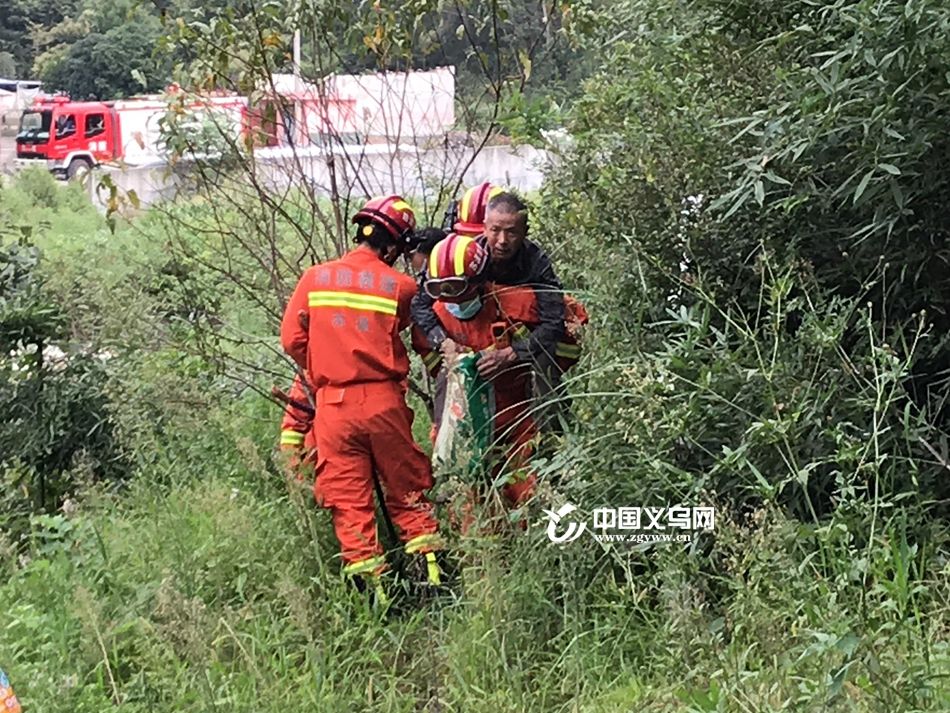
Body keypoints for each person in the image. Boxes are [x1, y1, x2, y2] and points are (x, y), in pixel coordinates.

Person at [280, 195, 443, 598]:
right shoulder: (402, 287)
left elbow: (291, 339)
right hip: (385, 403)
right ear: (393, 246)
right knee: (407, 489)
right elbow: (426, 342)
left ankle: (376, 598)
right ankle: (433, 584)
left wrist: (324, 366)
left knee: (349, 502)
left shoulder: (314, 278)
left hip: (333, 407)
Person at [412, 233, 542, 527]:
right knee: (470, 508)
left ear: (479, 281)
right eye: (438, 289)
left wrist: (514, 354)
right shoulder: (434, 318)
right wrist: (452, 364)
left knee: (526, 496)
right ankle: (484, 564)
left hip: (514, 419)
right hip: (463, 425)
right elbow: (431, 361)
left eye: (455, 287)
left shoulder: (516, 304)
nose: (449, 298)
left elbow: (561, 340)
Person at [411, 192, 572, 425]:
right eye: (495, 230)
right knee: (450, 374)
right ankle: (449, 449)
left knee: (545, 368)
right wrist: (443, 343)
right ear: (484, 228)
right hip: (471, 332)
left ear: (524, 232)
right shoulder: (466, 255)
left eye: (512, 232)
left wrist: (511, 354)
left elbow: (554, 323)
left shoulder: (536, 262)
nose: (502, 240)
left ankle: (553, 441)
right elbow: (420, 303)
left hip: (520, 338)